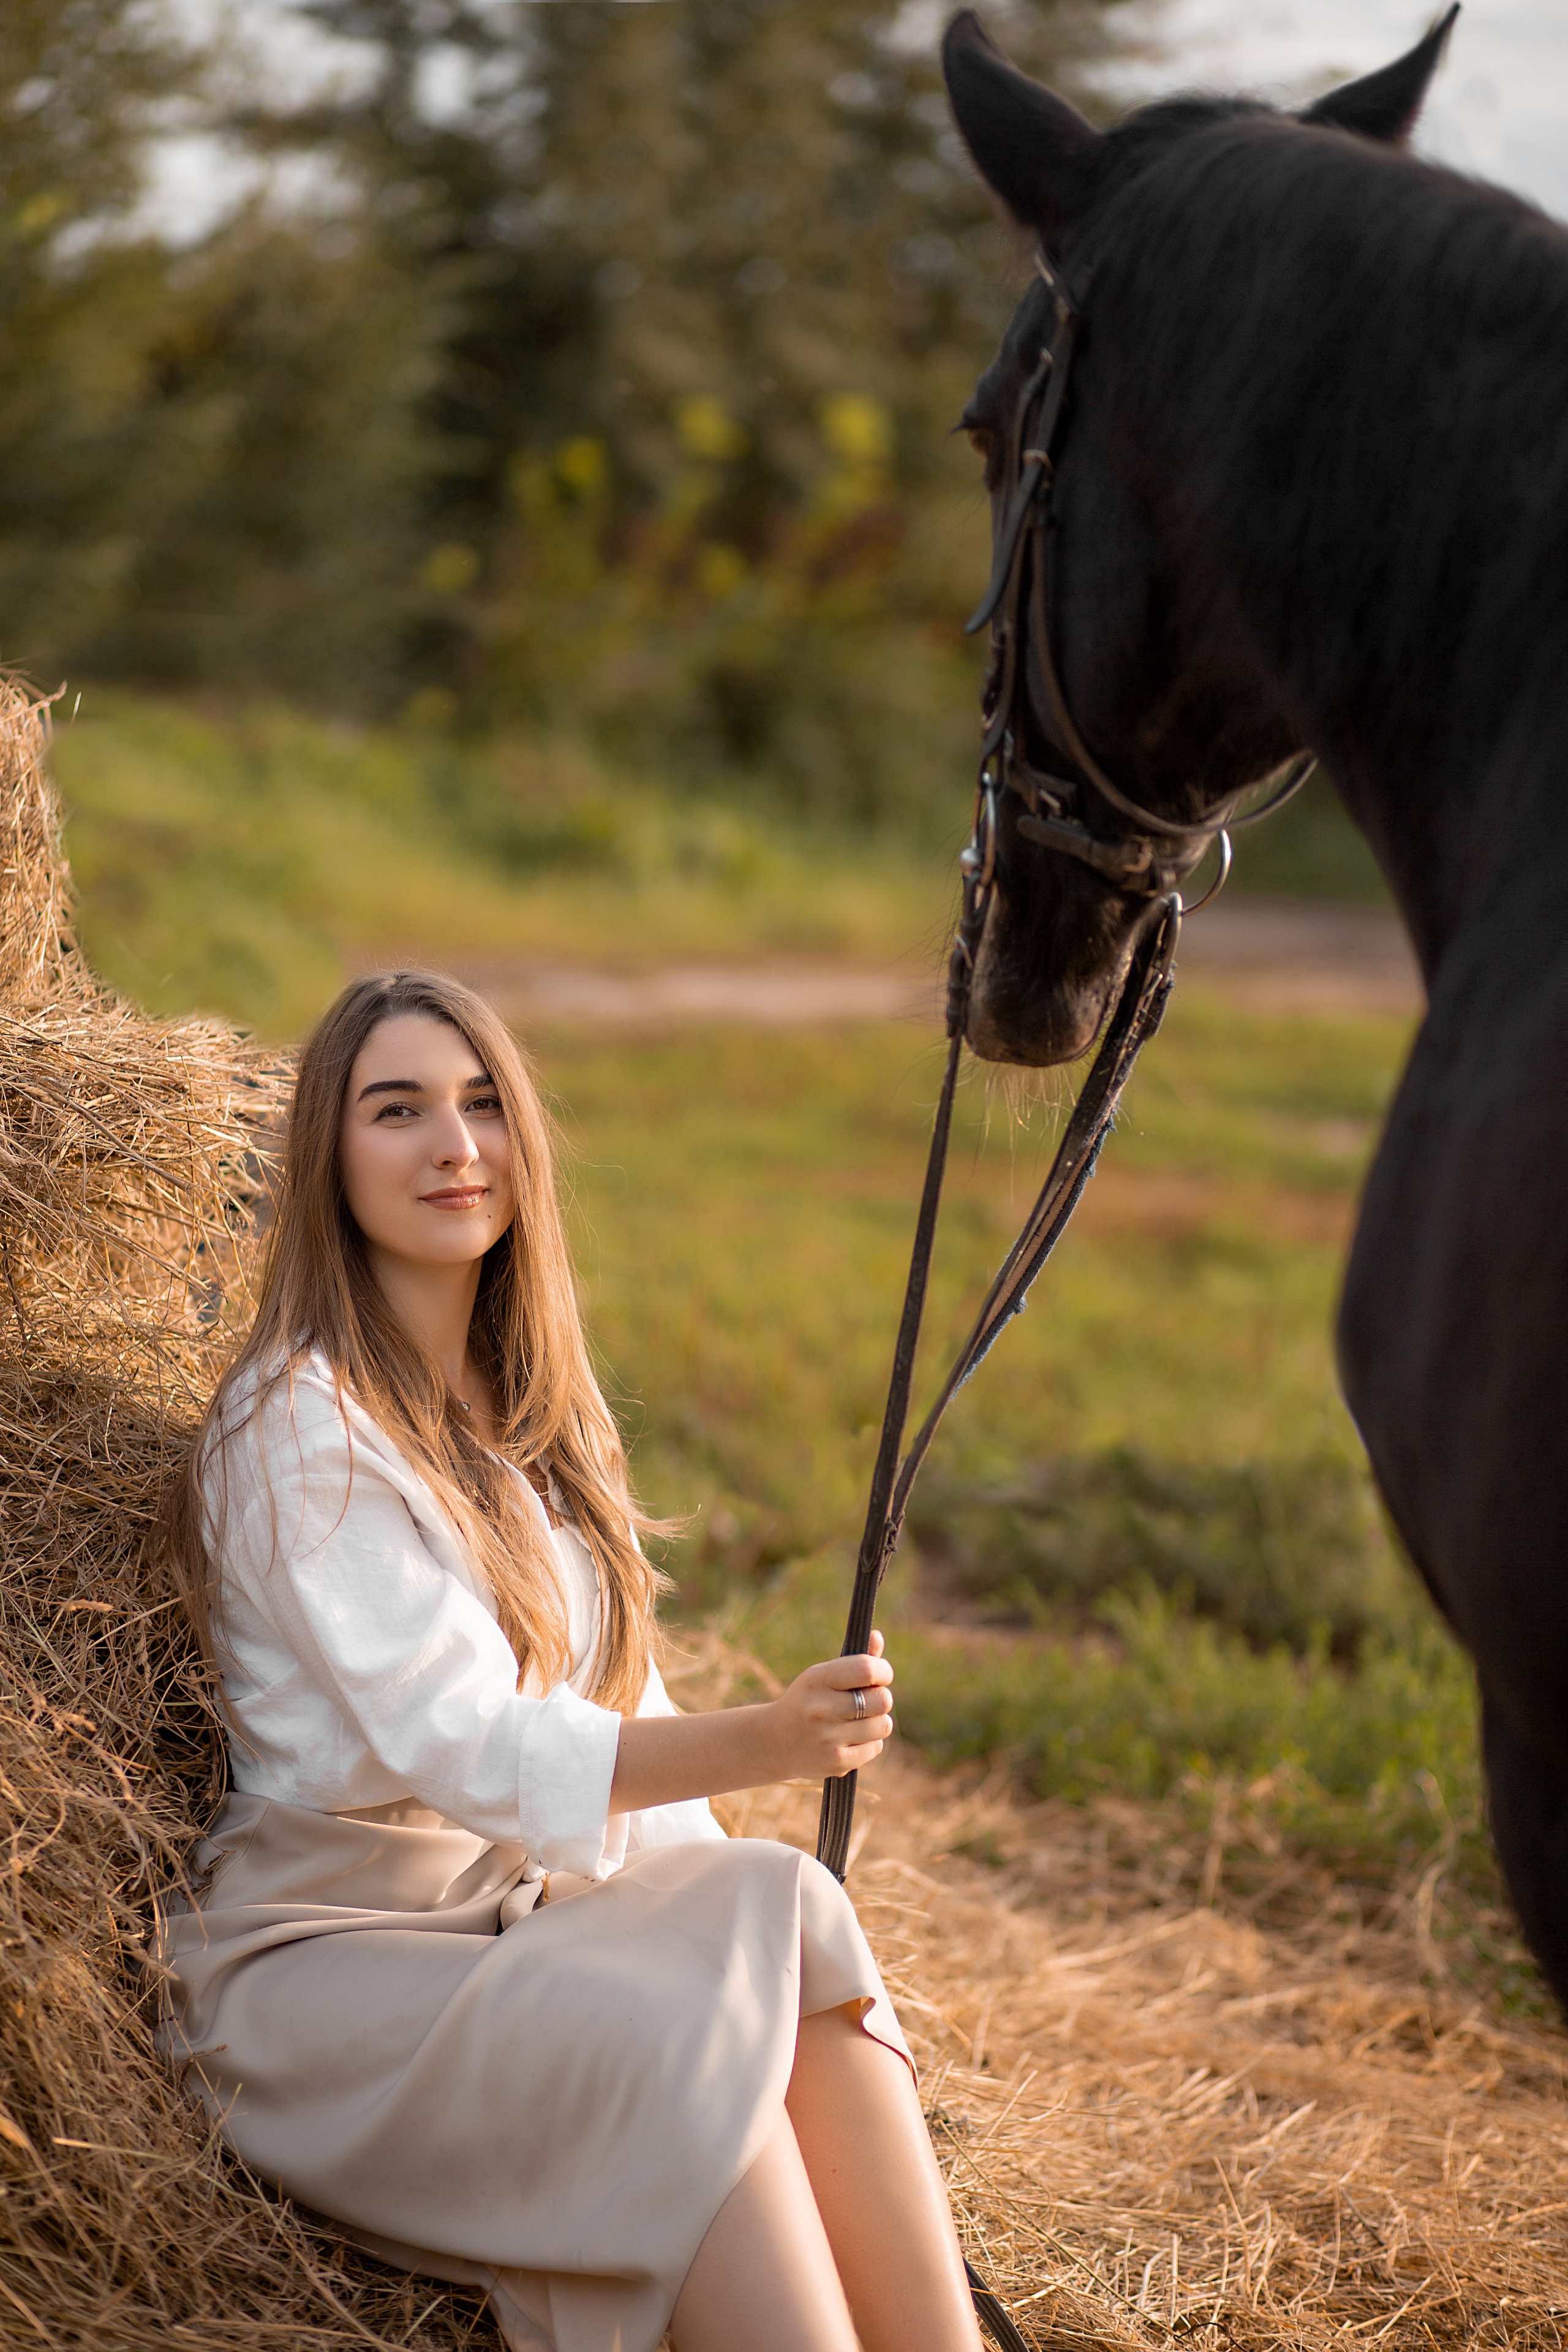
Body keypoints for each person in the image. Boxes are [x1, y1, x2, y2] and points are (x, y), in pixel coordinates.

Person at [159, 969, 982, 2352]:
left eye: (483, 1104)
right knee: (667, 2051)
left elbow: (623, 1713)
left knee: (776, 1913)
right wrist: (767, 1740)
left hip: (517, 1920)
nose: (454, 1146)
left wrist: (723, 1894)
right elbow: (474, 1750)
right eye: (398, 1110)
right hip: (335, 1959)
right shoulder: (294, 1429)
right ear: (329, 1157)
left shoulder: (537, 1410)